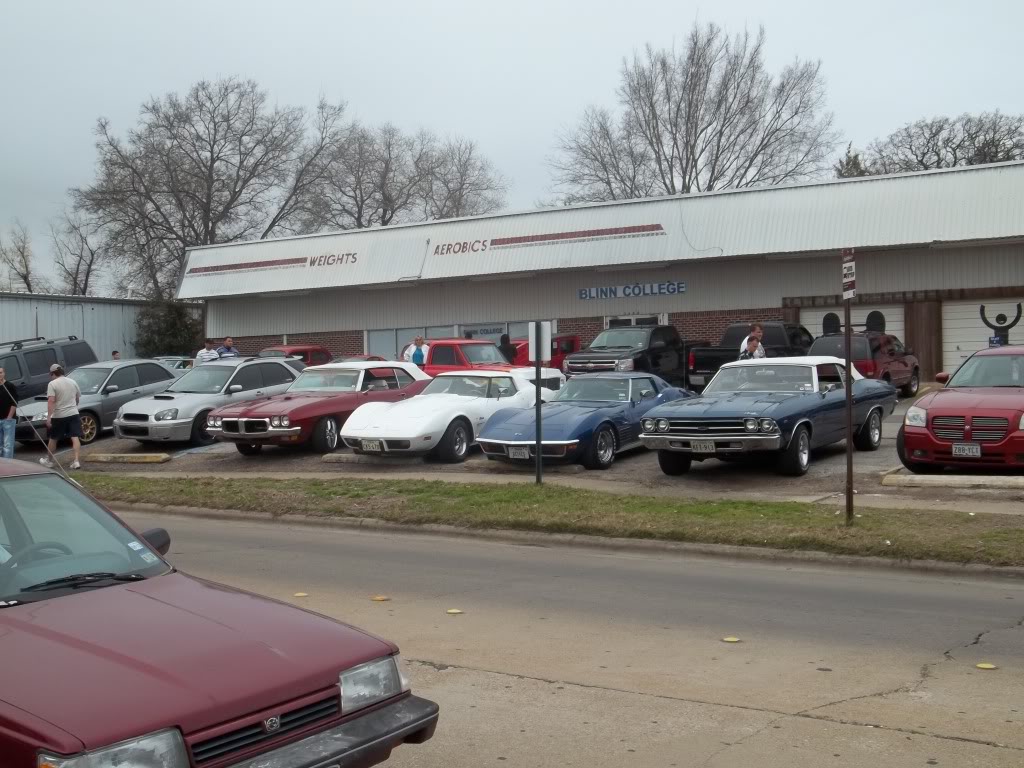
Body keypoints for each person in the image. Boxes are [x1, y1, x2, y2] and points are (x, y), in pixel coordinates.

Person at [40, 364, 83, 470]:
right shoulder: (73, 382)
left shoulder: (52, 384)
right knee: (75, 437)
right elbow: (77, 398)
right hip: (73, 413)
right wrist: (74, 407)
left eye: (51, 374)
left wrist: (49, 417)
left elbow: (51, 401)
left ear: (52, 374)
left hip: (59, 415)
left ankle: (49, 460)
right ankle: (76, 461)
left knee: (53, 438)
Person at [0, 367, 18, 460]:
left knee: (8, 445)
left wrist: (9, 417)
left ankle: (8, 464)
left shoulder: (9, 386)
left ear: (4, 373)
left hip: (8, 419)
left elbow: (14, 403)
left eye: (0, 373)